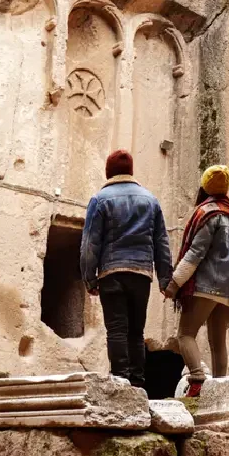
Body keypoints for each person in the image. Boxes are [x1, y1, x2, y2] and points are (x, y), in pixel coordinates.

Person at [80, 150, 172, 388]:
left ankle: (121, 383)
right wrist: (165, 279)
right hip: (141, 274)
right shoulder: (150, 200)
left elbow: (90, 243)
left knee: (117, 330)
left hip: (111, 274)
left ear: (108, 171)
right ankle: (139, 385)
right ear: (130, 170)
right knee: (136, 332)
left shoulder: (99, 200)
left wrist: (89, 279)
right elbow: (161, 242)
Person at [164, 165, 229, 398]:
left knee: (185, 334)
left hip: (206, 285)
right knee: (218, 342)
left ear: (204, 185)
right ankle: (220, 391)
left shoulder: (207, 213)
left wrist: (174, 284)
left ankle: (197, 380)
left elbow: (195, 253)